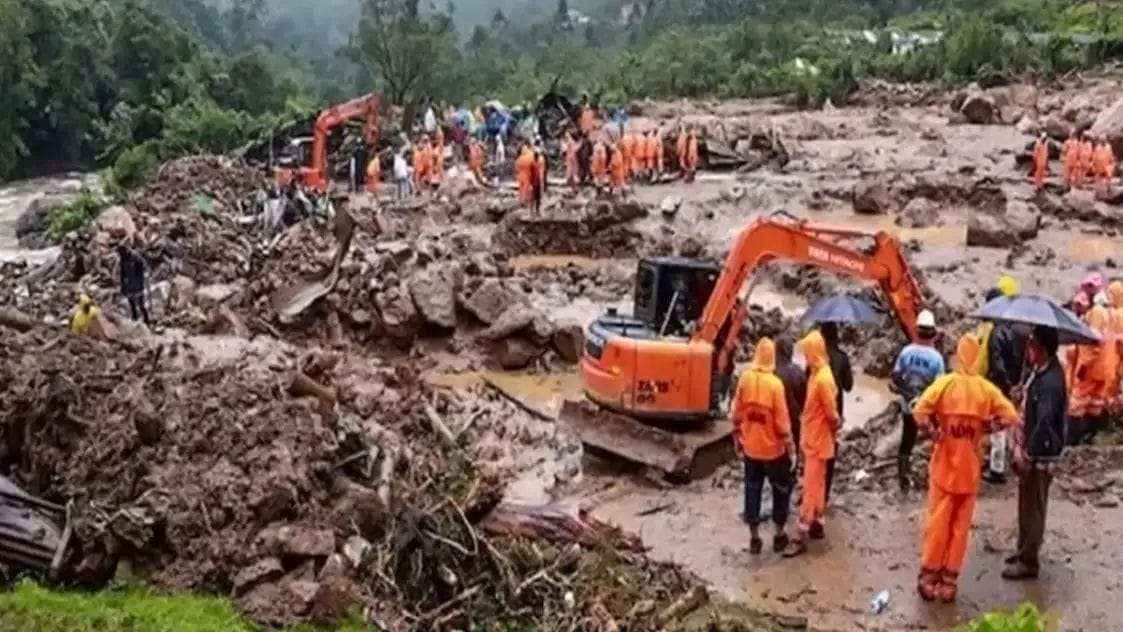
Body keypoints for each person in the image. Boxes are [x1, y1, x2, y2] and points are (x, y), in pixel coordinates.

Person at [914, 333, 1019, 603]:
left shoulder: (945, 384)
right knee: (960, 529)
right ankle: (949, 582)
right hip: (970, 471)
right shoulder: (986, 389)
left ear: (959, 355)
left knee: (938, 523)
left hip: (944, 468)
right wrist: (987, 427)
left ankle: (929, 576)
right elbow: (1011, 415)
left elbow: (919, 411)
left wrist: (934, 432)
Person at [1004, 326, 1068, 581]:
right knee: (1025, 502)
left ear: (1041, 349)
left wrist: (1028, 454)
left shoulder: (1051, 381)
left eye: (1031, 345)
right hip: (1030, 447)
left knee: (1035, 506)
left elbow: (1044, 422)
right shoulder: (1039, 372)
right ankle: (1023, 549)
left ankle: (1029, 560)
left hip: (1040, 453)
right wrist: (1022, 395)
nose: (1028, 350)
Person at [731, 338, 795, 555]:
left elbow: (736, 414)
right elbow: (782, 423)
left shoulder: (745, 379)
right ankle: (779, 534)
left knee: (752, 489)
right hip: (774, 451)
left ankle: (754, 538)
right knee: (780, 490)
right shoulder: (775, 385)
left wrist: (737, 439)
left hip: (751, 449)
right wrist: (791, 448)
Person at [784, 330, 839, 557]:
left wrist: (834, 429)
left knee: (810, 487)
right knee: (818, 485)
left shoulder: (822, 378)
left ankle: (801, 533)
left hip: (817, 440)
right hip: (815, 438)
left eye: (807, 353)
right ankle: (817, 523)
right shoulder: (819, 373)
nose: (805, 357)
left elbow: (832, 414)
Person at [891, 310, 946, 492]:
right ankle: (934, 477)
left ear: (917, 331)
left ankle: (903, 481)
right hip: (928, 410)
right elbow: (939, 388)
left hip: (908, 406)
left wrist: (908, 393)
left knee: (906, 441)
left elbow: (896, 376)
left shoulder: (906, 352)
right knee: (935, 441)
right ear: (933, 333)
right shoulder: (936, 358)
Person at [982, 275, 1025, 485]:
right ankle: (1009, 461)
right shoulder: (1019, 328)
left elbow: (997, 364)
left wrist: (1004, 385)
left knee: (998, 428)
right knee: (1010, 424)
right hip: (1016, 384)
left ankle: (997, 470)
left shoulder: (996, 333)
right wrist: (1017, 385)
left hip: (1000, 386)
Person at [1068, 301, 1115, 444]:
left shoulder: (1096, 317)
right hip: (1103, 370)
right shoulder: (1109, 318)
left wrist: (1082, 367)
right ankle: (1089, 436)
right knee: (1094, 404)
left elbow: (1092, 347)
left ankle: (1074, 438)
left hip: (1089, 371)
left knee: (1077, 404)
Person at [818, 322, 853, 501]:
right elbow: (848, 386)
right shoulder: (842, 358)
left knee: (815, 451)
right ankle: (825, 493)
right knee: (830, 451)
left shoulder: (816, 357)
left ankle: (813, 489)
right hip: (835, 412)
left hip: (816, 412)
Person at [775, 336, 808, 451]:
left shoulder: (768, 371)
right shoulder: (798, 372)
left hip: (772, 423)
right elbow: (805, 402)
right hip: (792, 420)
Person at [117, 243, 149, 325]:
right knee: (132, 304)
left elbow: (143, 267)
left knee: (141, 304)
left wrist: (141, 279)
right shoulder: (123, 258)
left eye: (122, 252)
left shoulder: (135, 257)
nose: (121, 254)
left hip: (138, 283)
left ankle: (147, 321)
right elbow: (122, 273)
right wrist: (122, 286)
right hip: (129, 285)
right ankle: (135, 320)